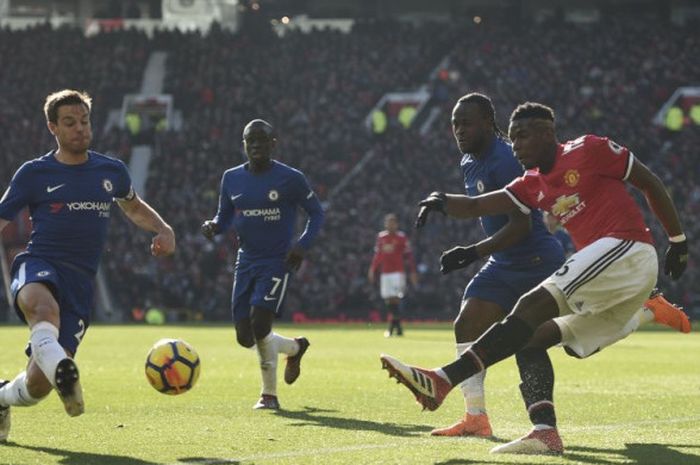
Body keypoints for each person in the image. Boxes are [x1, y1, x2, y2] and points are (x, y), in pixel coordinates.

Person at [381, 102, 690, 454]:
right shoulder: (531, 184)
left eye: (523, 137)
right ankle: (545, 432)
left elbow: (647, 181)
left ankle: (443, 379)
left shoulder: (588, 149)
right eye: (512, 140)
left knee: (530, 306)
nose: (515, 146)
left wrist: (677, 240)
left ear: (547, 134)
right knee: (531, 338)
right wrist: (441, 200)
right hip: (614, 278)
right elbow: (480, 205)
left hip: (628, 248)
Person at [0, 89, 176, 442]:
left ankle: (5, 396)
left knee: (36, 387)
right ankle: (65, 370)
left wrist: (163, 227)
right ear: (53, 128)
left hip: (80, 282)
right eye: (69, 123)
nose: (80, 128)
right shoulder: (33, 173)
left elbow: (134, 206)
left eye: (84, 121)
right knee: (42, 308)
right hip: (39, 263)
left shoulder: (111, 170)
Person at [424, 93, 566, 437]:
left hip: (534, 259)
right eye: (454, 123)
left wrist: (473, 252)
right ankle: (476, 418)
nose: (458, 130)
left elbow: (520, 226)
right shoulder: (468, 161)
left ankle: (640, 307)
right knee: (467, 324)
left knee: (536, 340)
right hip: (503, 262)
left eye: (466, 123)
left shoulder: (505, 158)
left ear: (488, 123)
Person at [201, 119, 324, 410]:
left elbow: (316, 214)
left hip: (278, 261)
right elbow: (224, 216)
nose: (256, 145)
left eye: (261, 140)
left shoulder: (290, 178)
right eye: (250, 141)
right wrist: (213, 226)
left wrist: (302, 246)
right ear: (244, 145)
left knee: (260, 324)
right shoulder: (231, 178)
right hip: (246, 260)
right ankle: (295, 347)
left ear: (273, 144)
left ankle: (269, 395)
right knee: (245, 337)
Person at [368, 213, 418, 337]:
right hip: (385, 273)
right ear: (385, 224)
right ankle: (398, 328)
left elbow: (409, 256)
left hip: (398, 272)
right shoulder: (381, 237)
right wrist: (373, 269)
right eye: (388, 222)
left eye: (393, 222)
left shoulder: (402, 237)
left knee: (395, 299)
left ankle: (391, 328)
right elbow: (378, 255)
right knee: (388, 299)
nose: (390, 225)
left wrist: (412, 271)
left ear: (396, 224)